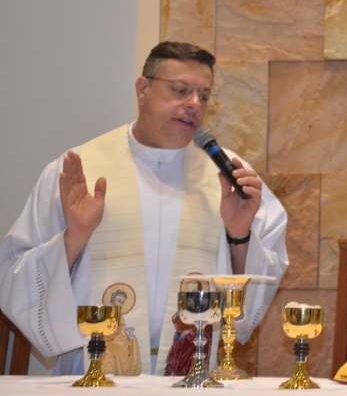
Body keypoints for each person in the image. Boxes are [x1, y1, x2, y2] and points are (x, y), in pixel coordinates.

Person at [0, 41, 289, 376]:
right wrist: (72, 239)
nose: (194, 104)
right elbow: (13, 275)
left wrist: (239, 236)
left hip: (194, 374)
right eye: (180, 90)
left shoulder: (232, 180)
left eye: (204, 95)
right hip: (95, 373)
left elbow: (250, 304)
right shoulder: (80, 172)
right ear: (142, 88)